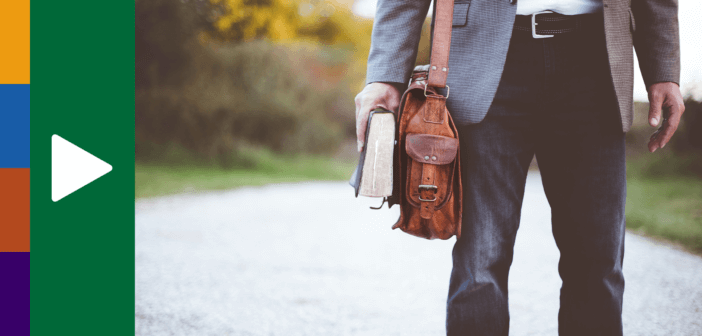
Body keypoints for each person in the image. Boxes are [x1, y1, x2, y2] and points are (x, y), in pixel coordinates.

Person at [354, 0, 684, 334]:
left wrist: (664, 69)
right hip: (486, 58)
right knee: (480, 262)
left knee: (597, 260)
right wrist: (385, 75)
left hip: (597, 62)